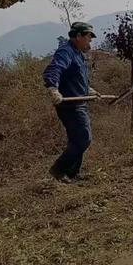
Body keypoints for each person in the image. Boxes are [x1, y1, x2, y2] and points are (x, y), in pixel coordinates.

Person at [43, 22, 100, 182]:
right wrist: (53, 88)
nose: (90, 40)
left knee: (76, 140)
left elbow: (76, 77)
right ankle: (58, 170)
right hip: (70, 106)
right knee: (84, 138)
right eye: (88, 36)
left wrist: (88, 90)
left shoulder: (78, 54)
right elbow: (54, 69)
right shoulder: (66, 51)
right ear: (78, 36)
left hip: (80, 102)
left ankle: (72, 174)